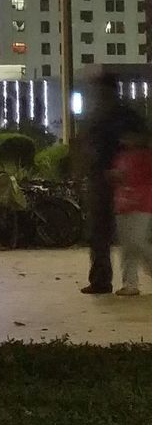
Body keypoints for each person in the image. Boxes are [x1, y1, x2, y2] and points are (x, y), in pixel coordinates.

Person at [81, 72, 146, 295]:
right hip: (108, 179)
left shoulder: (113, 115)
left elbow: (140, 143)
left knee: (123, 236)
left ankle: (109, 281)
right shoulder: (118, 114)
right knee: (112, 234)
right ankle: (107, 280)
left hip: (118, 181)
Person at [112, 130, 152, 296]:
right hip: (124, 203)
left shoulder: (146, 157)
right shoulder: (121, 157)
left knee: (137, 241)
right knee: (127, 245)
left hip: (142, 203)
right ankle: (130, 283)